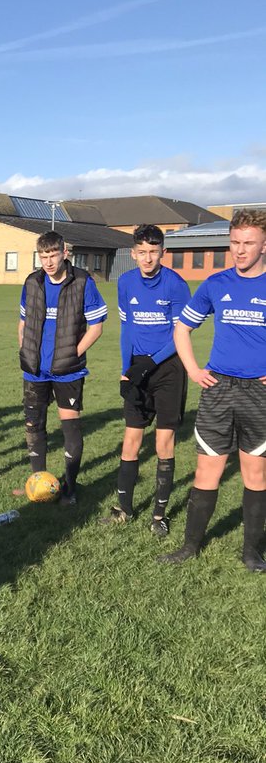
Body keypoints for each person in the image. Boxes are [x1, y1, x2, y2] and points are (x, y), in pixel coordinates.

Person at [160, 209, 266, 571]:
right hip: (218, 390)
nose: (240, 250)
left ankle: (251, 552)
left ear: (264, 244)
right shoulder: (215, 284)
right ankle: (190, 547)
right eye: (234, 242)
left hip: (258, 394)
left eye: (248, 243)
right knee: (208, 471)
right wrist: (192, 368)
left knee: (254, 474)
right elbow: (181, 329)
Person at [101, 225, 191, 534]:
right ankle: (123, 508)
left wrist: (150, 363)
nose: (148, 258)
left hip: (168, 369)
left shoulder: (177, 285)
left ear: (163, 252)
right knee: (131, 440)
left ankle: (159, 516)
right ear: (134, 253)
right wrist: (127, 370)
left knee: (164, 441)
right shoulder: (125, 283)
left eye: (154, 252)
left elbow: (181, 335)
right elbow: (127, 330)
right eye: (142, 252)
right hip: (137, 368)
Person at [17, 231, 107, 503]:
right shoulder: (32, 282)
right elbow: (23, 322)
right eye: (43, 256)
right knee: (34, 425)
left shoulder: (82, 282)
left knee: (70, 427)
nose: (48, 262)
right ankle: (38, 484)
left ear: (64, 252)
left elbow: (97, 326)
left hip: (68, 370)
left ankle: (70, 487)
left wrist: (72, 354)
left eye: (53, 255)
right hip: (35, 370)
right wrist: (24, 349)